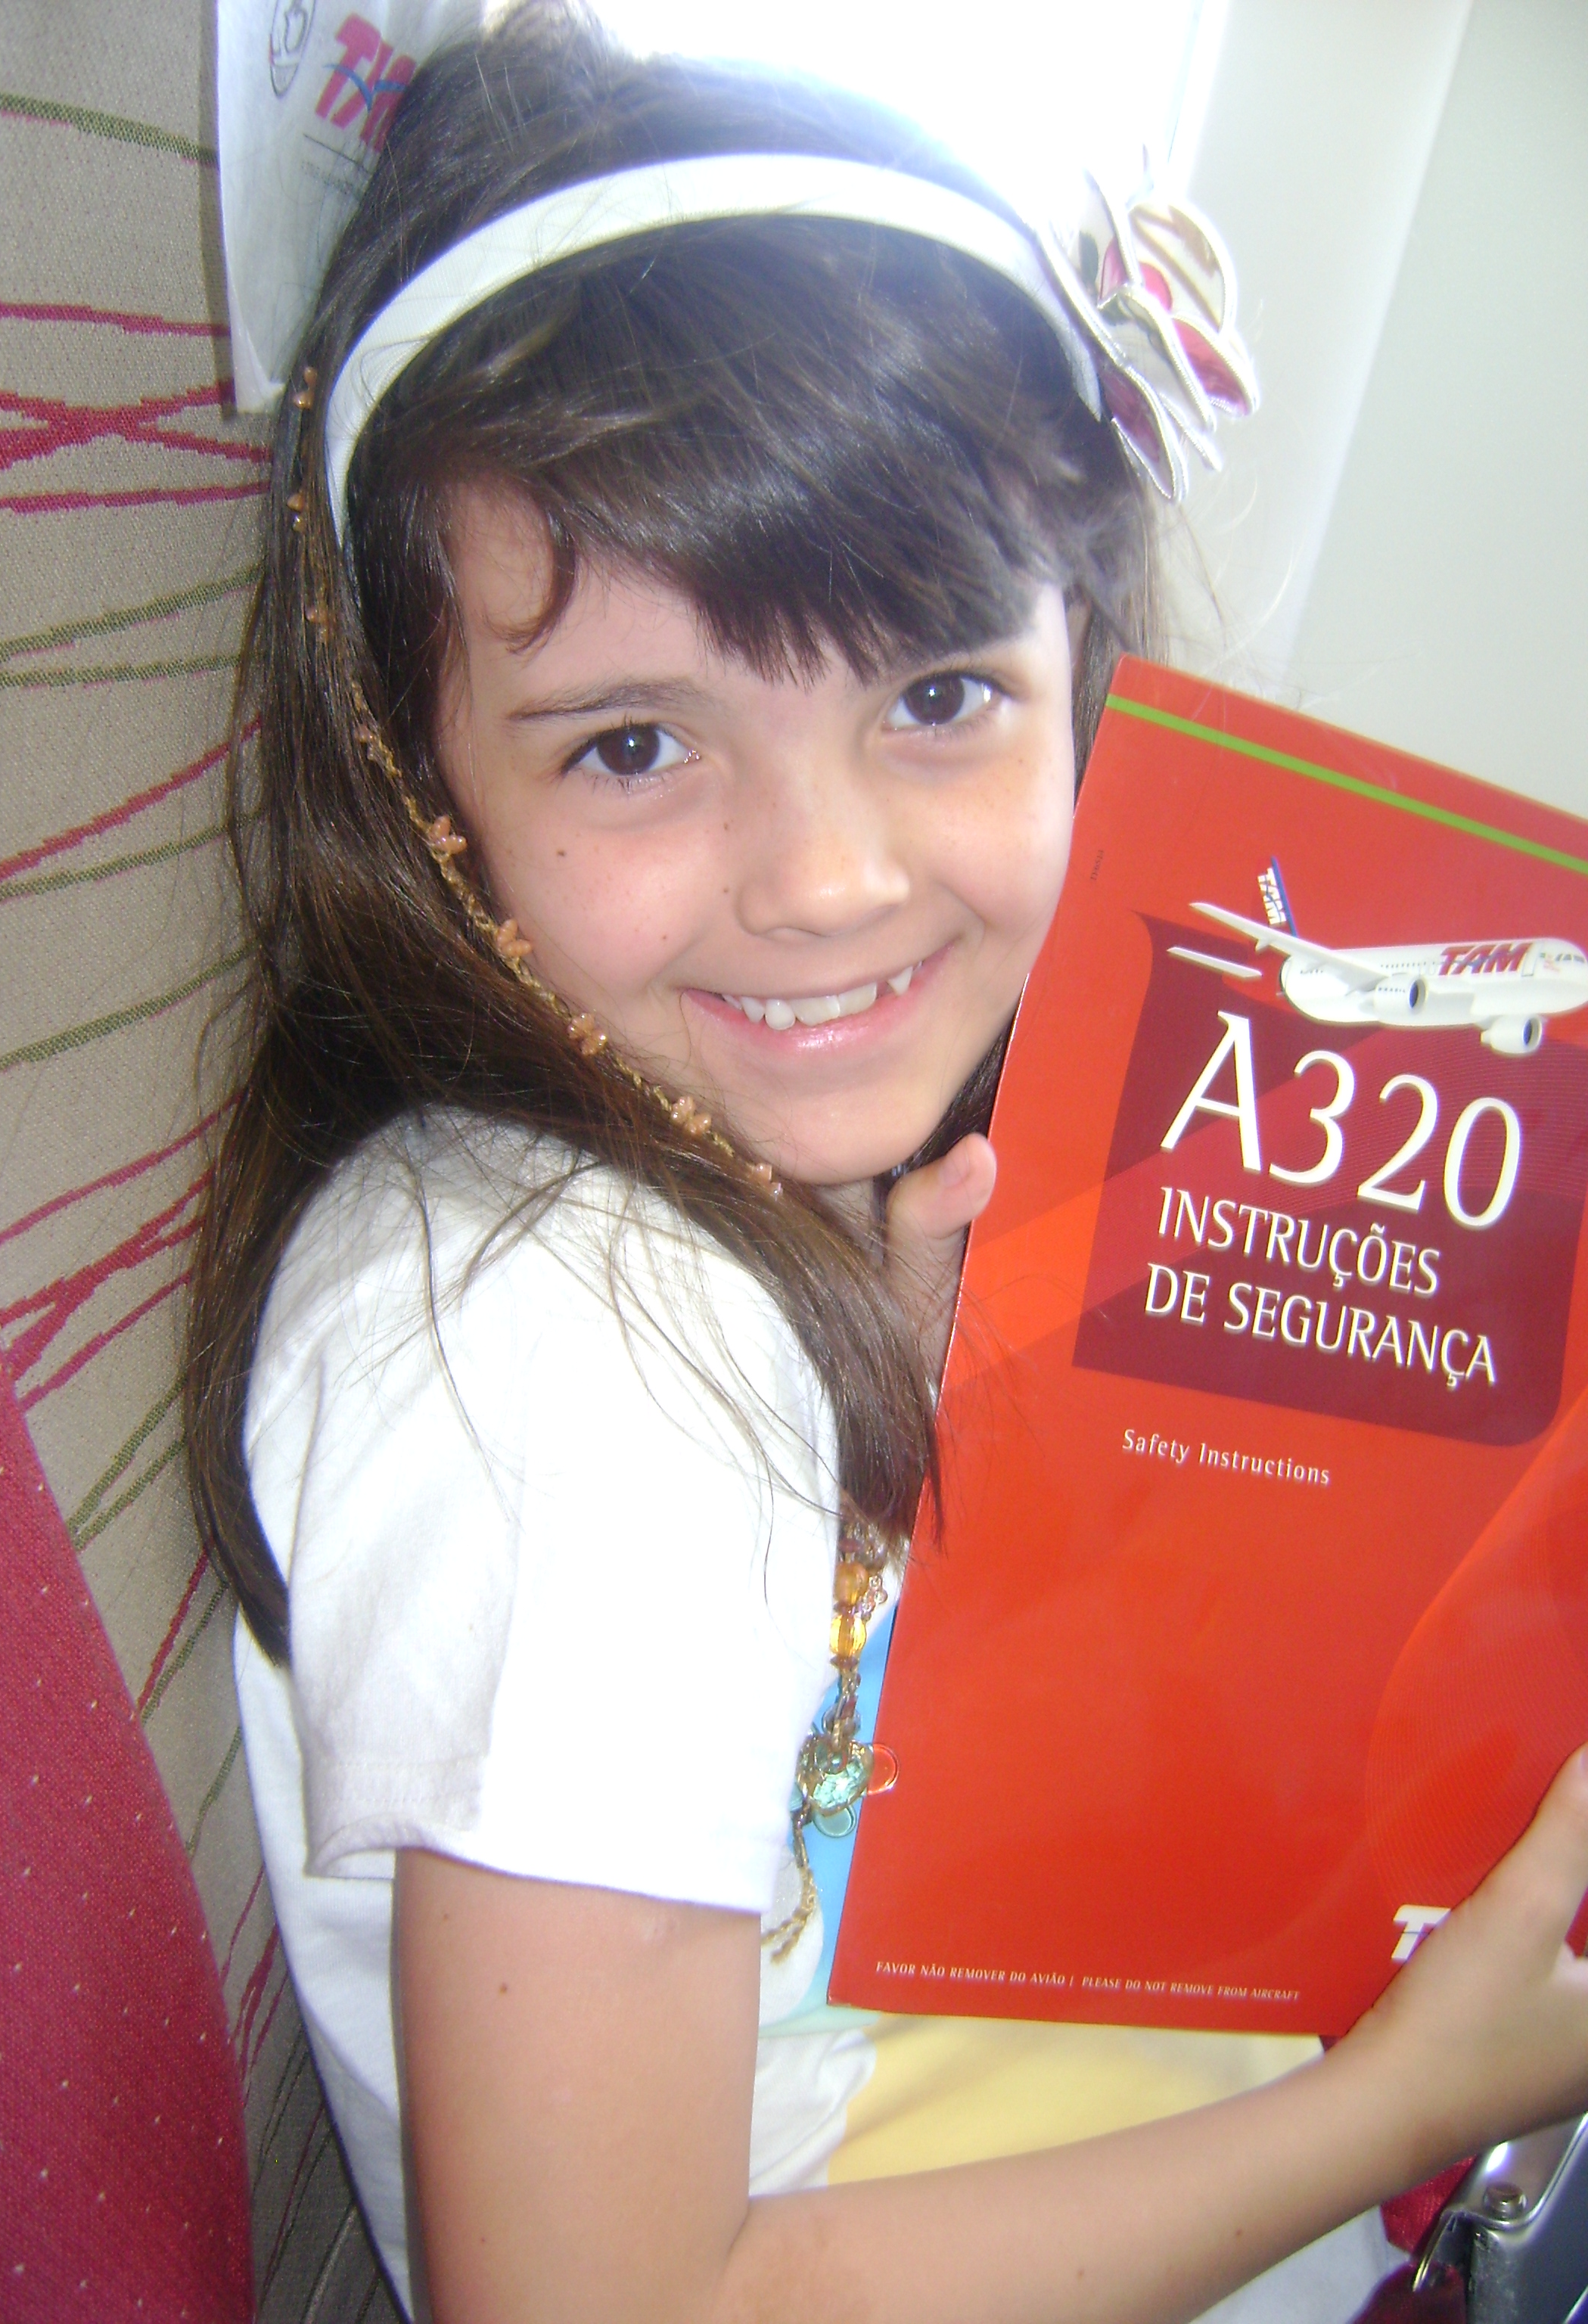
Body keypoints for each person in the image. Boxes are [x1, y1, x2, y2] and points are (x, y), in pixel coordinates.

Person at [183, 6, 1588, 2318]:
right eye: (635, 745)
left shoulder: (728, 1191)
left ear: (1084, 672)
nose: (829, 880)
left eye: (938, 698)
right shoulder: (569, 1355)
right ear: (421, 787)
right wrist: (1396, 2109)